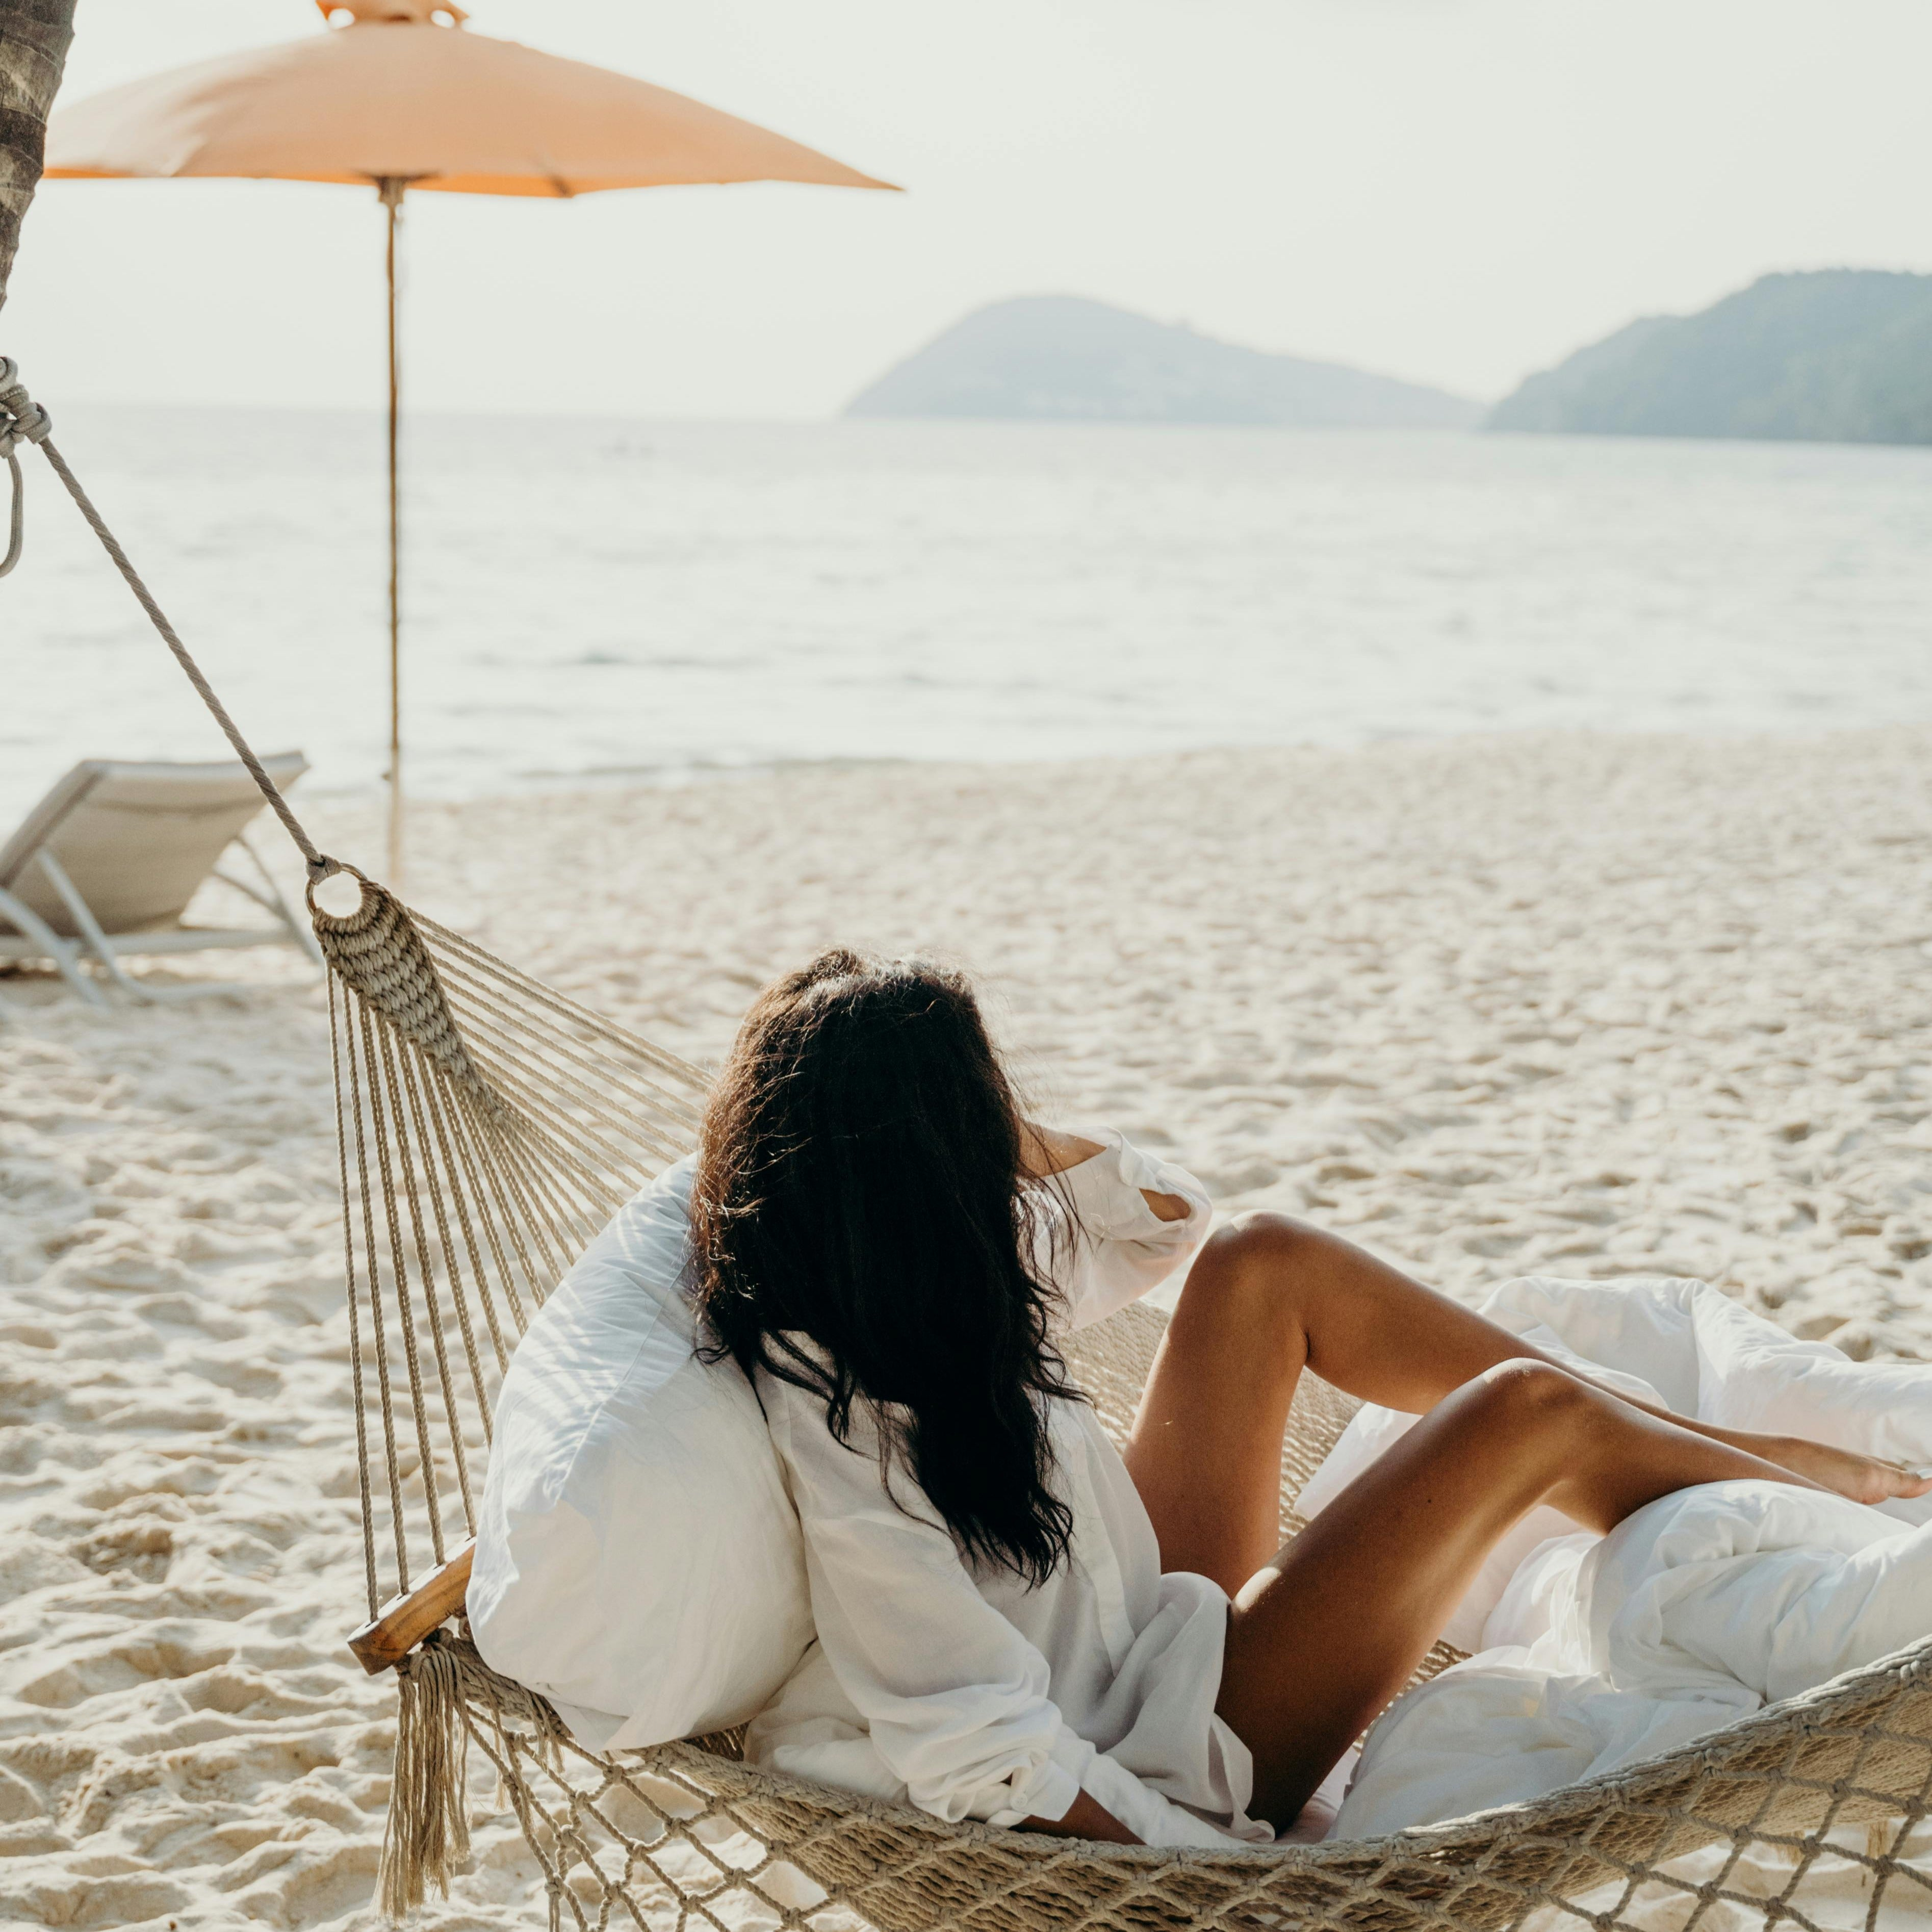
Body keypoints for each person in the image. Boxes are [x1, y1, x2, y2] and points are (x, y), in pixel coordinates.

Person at [691, 949, 1931, 1848]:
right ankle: (1832, 1508)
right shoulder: (842, 1419)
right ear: (919, 1161)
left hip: (1146, 1632)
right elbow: (968, 1743)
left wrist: (1004, 1130)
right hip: (1174, 1752)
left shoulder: (913, 1288)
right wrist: (1203, 1858)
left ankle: (1727, 1452)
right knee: (1524, 1411)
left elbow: (1163, 1228)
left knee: (1260, 1263)